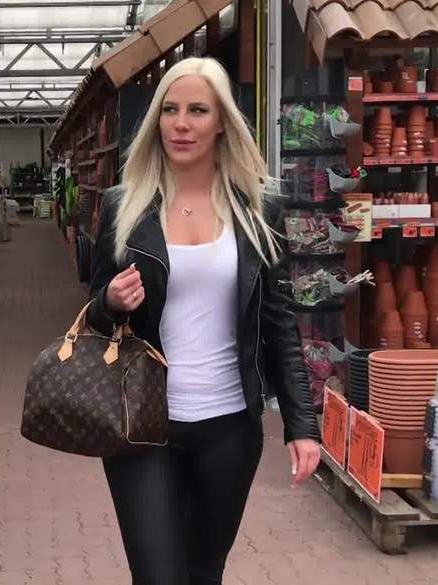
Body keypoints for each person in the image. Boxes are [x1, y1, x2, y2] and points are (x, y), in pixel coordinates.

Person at [85, 57, 321, 585]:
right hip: (142, 427)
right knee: (158, 576)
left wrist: (302, 425)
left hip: (229, 428)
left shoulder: (258, 207)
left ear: (221, 123)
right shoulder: (125, 206)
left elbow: (279, 321)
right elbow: (92, 322)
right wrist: (110, 302)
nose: (181, 124)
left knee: (203, 573)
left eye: (197, 110)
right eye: (170, 110)